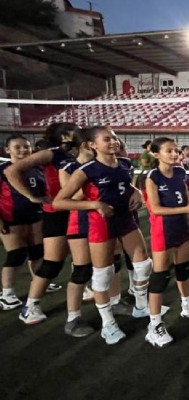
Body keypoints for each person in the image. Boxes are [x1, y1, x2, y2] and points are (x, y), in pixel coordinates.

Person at [53, 126, 150, 344]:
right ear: (92, 145)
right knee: (103, 274)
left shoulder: (125, 163)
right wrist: (94, 204)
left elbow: (126, 185)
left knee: (144, 265)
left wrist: (137, 191)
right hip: (100, 225)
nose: (114, 142)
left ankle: (141, 307)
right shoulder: (86, 170)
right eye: (107, 139)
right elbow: (59, 201)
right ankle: (108, 323)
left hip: (125, 219)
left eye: (115, 137)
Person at [4, 123, 91, 333]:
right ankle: (30, 306)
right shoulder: (52, 153)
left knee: (82, 262)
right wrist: (32, 196)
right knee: (52, 263)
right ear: (64, 136)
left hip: (78, 212)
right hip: (57, 214)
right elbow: (12, 170)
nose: (79, 132)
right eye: (74, 130)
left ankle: (85, 291)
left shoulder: (78, 154)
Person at [144, 137, 189, 348]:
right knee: (160, 276)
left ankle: (187, 306)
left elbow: (185, 196)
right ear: (156, 154)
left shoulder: (180, 172)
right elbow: (155, 209)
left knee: (183, 268)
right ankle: (154, 325)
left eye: (176, 151)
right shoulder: (152, 177)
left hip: (180, 226)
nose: (175, 154)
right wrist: (188, 210)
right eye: (169, 151)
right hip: (162, 230)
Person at [0, 135, 45, 311]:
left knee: (37, 253)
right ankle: (7, 294)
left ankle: (40, 282)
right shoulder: (3, 169)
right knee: (16, 254)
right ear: (7, 150)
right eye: (17, 147)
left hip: (36, 216)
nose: (23, 150)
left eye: (26, 147)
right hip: (12, 217)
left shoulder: (37, 168)